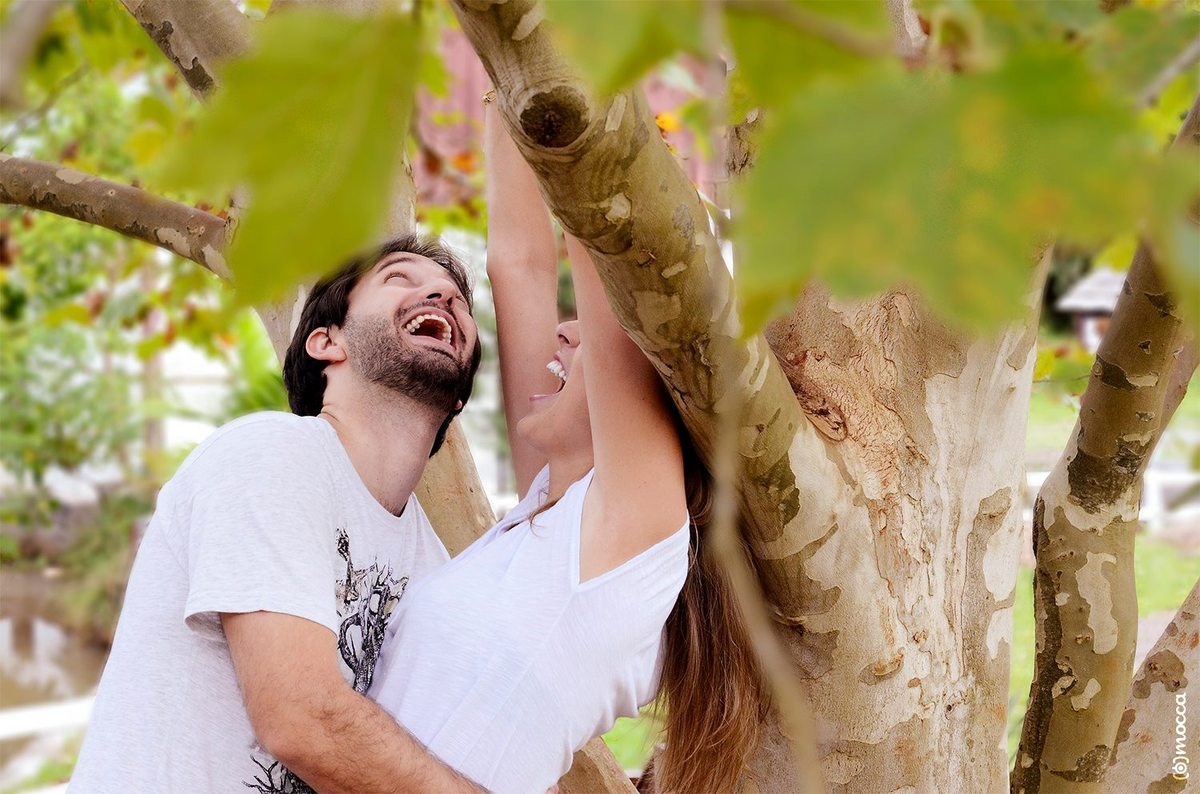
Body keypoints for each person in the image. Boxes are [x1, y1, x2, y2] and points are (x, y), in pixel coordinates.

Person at [366, 103, 768, 793]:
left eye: (583, 334)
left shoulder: (627, 546)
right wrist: (506, 84)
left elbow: (600, 247)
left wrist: (604, 104)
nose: (563, 335)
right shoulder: (553, 510)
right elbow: (518, 264)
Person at [71, 235, 486, 793]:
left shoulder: (430, 564)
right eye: (399, 278)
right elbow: (300, 719)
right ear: (326, 342)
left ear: (459, 395)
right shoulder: (272, 454)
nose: (442, 293)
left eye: (459, 300)